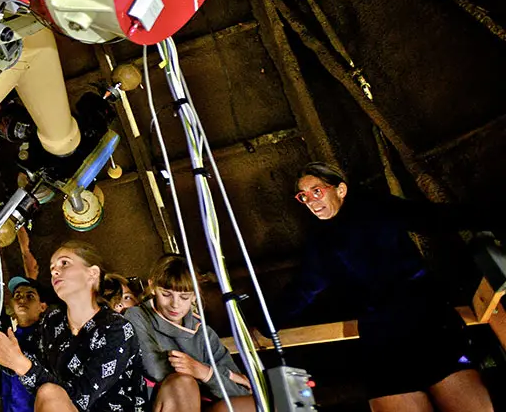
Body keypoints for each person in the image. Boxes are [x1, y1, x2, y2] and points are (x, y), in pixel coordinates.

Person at [276, 162, 494, 412]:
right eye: (303, 196)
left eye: (317, 191)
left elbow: (432, 217)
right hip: (382, 339)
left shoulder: (375, 207)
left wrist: (490, 215)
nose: (311, 201)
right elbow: (304, 288)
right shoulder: (321, 242)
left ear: (341, 190)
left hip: (429, 324)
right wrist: (264, 322)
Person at [0, 240, 146, 412]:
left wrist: (22, 366)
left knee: (49, 393)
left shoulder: (117, 329)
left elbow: (79, 398)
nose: (55, 271)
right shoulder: (53, 321)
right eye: (52, 268)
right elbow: (17, 356)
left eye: (64, 263)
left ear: (92, 273)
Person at [125, 255, 252, 412]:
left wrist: (205, 372)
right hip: (157, 403)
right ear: (152, 287)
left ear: (194, 296)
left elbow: (241, 390)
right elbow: (156, 369)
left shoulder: (204, 333)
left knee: (251, 404)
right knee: (183, 383)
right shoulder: (137, 316)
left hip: (204, 404)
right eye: (166, 294)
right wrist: (218, 374)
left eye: (184, 297)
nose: (175, 304)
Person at [0, 275, 49, 412]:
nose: (22, 299)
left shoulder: (49, 338)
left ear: (42, 306)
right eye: (17, 295)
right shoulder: (10, 338)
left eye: (30, 296)